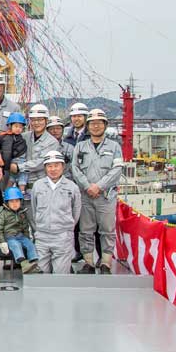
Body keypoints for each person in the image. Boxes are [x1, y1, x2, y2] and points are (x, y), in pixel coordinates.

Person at [71, 109, 123, 274]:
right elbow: (75, 168)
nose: (95, 126)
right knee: (85, 230)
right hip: (86, 196)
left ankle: (106, 263)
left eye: (99, 123)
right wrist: (88, 186)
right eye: (92, 123)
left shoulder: (114, 147)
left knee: (107, 230)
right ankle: (88, 262)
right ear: (87, 126)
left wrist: (99, 186)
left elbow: (116, 170)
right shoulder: (80, 146)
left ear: (105, 125)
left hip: (106, 196)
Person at [30, 150, 81, 274]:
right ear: (45, 168)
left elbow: (76, 211)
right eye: (49, 166)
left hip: (63, 237)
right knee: (41, 273)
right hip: (42, 236)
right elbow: (34, 208)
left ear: (63, 166)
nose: (53, 169)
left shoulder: (72, 187)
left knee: (60, 275)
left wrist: (67, 227)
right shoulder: (37, 186)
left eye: (56, 165)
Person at [20, 104, 63, 192]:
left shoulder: (52, 142)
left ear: (46, 120)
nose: (36, 123)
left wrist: (18, 167)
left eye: (40, 120)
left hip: (42, 187)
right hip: (22, 185)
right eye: (33, 120)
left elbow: (40, 163)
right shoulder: (24, 137)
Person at [0, 186, 40, 274]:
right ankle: (24, 264)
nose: (14, 204)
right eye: (11, 201)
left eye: (17, 201)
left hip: (21, 236)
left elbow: (25, 227)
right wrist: (2, 241)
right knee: (16, 245)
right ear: (7, 202)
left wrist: (27, 238)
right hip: (9, 237)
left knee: (30, 245)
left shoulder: (22, 212)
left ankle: (33, 263)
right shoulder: (3, 213)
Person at [0, 112, 29, 194]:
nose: (18, 129)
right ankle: (20, 192)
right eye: (16, 126)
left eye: (20, 127)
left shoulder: (19, 137)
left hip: (19, 162)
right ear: (10, 126)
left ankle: (8, 193)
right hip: (14, 162)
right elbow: (7, 153)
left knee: (15, 178)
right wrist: (6, 167)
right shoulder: (8, 138)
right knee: (20, 177)